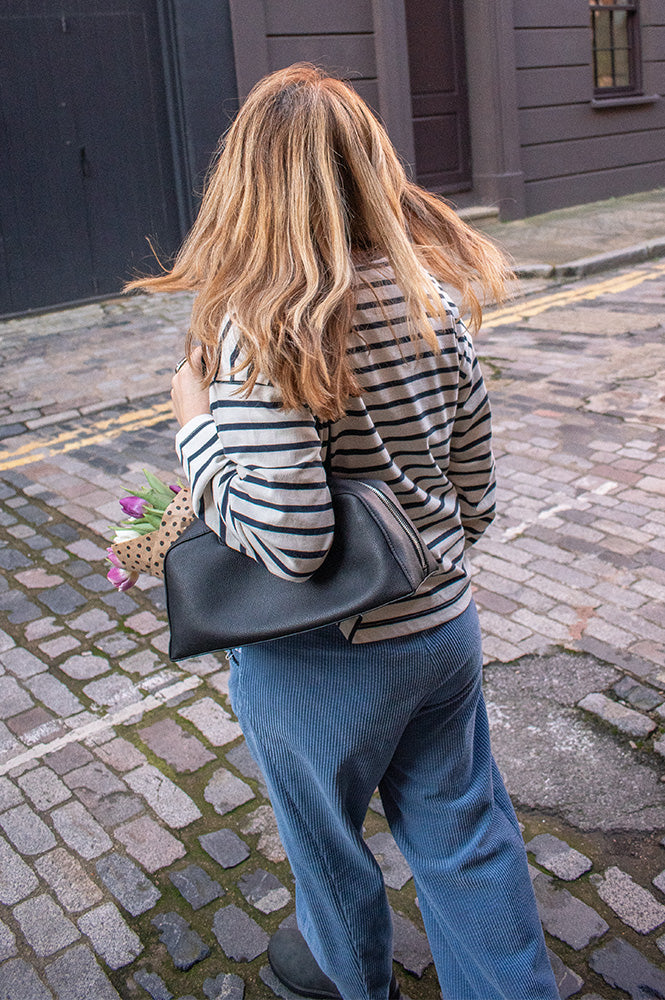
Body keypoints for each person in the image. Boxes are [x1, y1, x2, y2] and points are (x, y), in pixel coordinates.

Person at [129, 63, 559, 1000]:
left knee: (325, 849)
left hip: (325, 661)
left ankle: (348, 979)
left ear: (244, 181)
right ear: (370, 170)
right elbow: (474, 493)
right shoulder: (431, 302)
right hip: (443, 631)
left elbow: (290, 542)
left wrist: (195, 423)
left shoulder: (267, 327)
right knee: (467, 836)